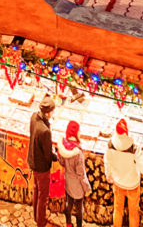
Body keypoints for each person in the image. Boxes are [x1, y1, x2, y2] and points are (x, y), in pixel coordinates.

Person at [105, 118, 143, 227]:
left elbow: (107, 161)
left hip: (118, 183)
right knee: (133, 213)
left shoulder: (110, 145)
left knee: (118, 210)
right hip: (132, 185)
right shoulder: (134, 148)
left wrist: (108, 174)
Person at [29, 95, 57, 227]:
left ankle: (36, 216)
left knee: (36, 190)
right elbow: (48, 154)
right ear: (48, 113)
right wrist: (55, 155)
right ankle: (41, 221)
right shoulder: (45, 132)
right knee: (43, 196)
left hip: (33, 160)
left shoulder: (34, 117)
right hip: (42, 167)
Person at [58, 120, 91, 226]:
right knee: (79, 210)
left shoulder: (63, 146)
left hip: (68, 182)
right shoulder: (78, 153)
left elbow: (62, 162)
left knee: (69, 204)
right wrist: (87, 188)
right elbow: (81, 174)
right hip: (77, 186)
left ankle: (68, 223)